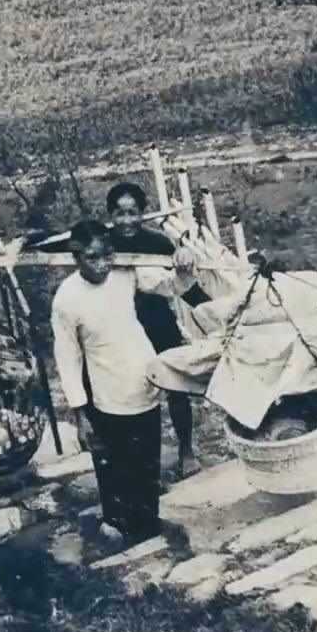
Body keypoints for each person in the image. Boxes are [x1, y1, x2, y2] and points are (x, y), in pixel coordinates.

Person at [51, 219, 197, 545]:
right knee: (116, 464)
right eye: (92, 257)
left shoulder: (125, 273)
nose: (102, 264)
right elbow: (68, 356)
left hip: (141, 378)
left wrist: (184, 268)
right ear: (76, 256)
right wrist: (79, 412)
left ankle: (148, 525)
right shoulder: (66, 299)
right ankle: (116, 527)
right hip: (105, 388)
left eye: (107, 255)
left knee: (147, 459)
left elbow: (171, 285)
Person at [105, 181, 210, 478]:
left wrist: (215, 309)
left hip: (158, 322)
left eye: (133, 212)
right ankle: (140, 461)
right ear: (111, 215)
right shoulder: (102, 245)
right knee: (131, 394)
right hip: (121, 327)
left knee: (175, 387)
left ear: (142, 213)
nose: (127, 220)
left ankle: (186, 452)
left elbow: (185, 288)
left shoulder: (159, 243)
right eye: (120, 213)